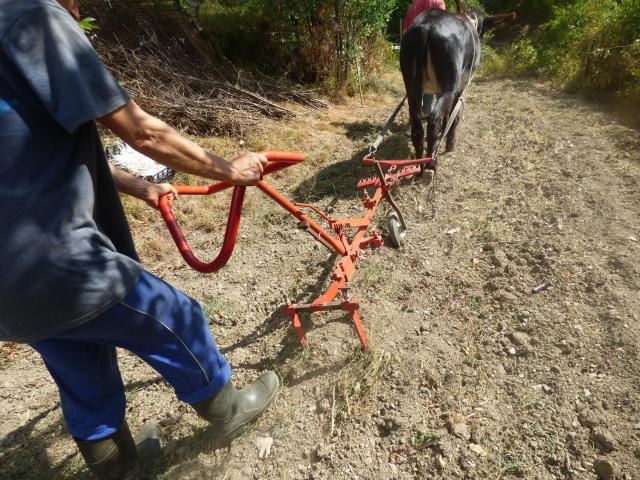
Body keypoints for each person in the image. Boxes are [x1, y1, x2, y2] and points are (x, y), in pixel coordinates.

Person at [0, 0, 279, 478]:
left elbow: (29, 147)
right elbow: (144, 132)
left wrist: (136, 185)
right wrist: (230, 170)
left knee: (79, 365)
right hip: (58, 262)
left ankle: (120, 470)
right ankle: (229, 412)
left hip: (9, 286)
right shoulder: (35, 19)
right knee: (177, 317)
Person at [402, 0, 447, 117]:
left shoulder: (413, 4)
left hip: (412, 49)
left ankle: (416, 113)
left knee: (414, 81)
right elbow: (442, 25)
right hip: (432, 47)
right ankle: (427, 110)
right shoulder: (439, 2)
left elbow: (405, 32)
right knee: (432, 79)